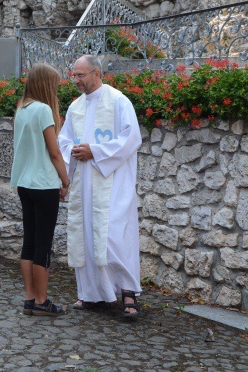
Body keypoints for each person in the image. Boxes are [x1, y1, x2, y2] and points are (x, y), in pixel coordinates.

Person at [58, 55, 143, 317]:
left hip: (113, 182)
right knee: (85, 237)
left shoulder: (118, 101)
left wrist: (95, 151)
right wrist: (68, 161)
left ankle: (128, 292)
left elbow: (131, 138)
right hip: (84, 183)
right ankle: (92, 294)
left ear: (96, 73)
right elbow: (64, 139)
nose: (76, 80)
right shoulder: (76, 107)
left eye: (80, 75)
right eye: (74, 75)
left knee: (114, 237)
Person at [11, 63, 70, 317]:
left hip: (24, 182)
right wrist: (66, 181)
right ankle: (43, 301)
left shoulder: (21, 108)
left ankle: (30, 298)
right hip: (44, 183)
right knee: (43, 244)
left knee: (29, 241)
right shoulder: (44, 110)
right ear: (47, 84)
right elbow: (55, 152)